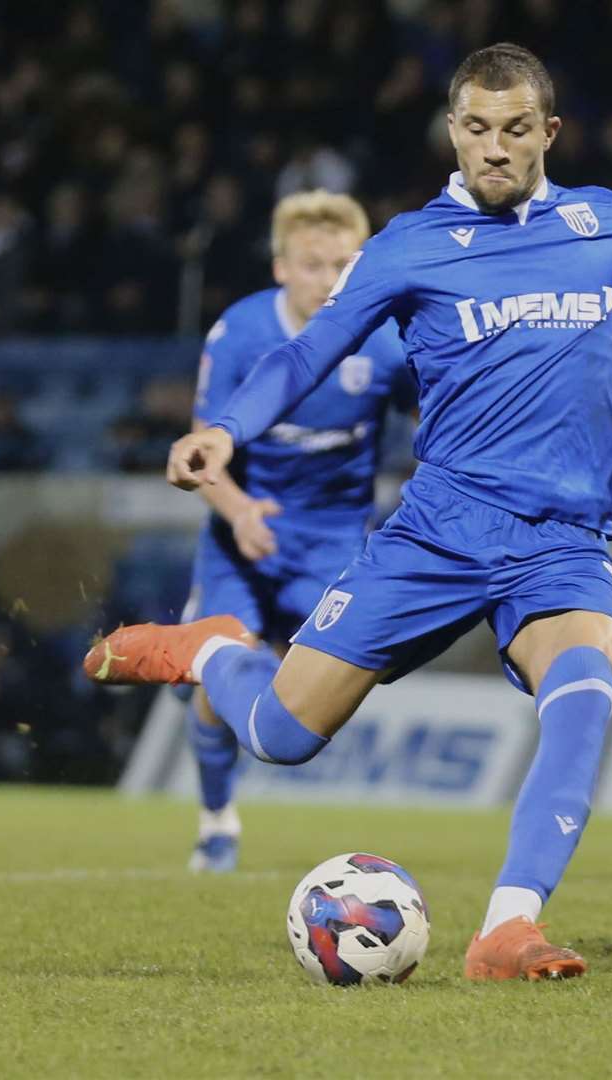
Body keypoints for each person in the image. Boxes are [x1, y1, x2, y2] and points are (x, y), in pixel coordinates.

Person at [85, 43, 612, 981]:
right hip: (438, 533)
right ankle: (210, 648)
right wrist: (225, 430)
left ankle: (508, 927)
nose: (494, 148)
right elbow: (306, 358)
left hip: (562, 545)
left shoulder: (607, 221)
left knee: (585, 691)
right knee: (279, 737)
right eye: (475, 129)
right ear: (452, 133)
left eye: (514, 130)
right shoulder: (407, 247)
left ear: (547, 131)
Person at [178, 190, 412, 873]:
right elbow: (202, 449)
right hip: (242, 535)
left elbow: (435, 424)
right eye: (312, 264)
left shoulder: (387, 340)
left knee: (333, 683)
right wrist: (240, 510)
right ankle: (216, 819)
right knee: (219, 680)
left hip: (336, 544)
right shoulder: (241, 334)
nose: (328, 280)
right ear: (281, 267)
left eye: (343, 264)